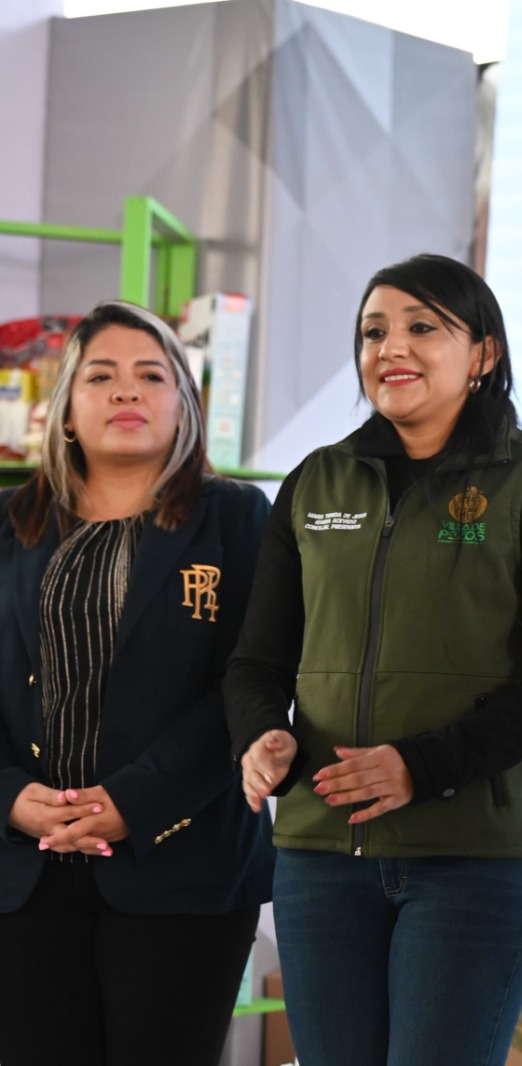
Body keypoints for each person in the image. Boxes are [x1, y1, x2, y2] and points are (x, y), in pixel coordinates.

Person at [224, 254, 522, 1066]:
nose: (393, 347)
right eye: (373, 331)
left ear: (483, 353)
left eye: (424, 327)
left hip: (473, 861)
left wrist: (421, 768)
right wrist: (262, 737)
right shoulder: (317, 483)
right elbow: (256, 663)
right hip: (322, 858)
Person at [0, 300, 273, 1066]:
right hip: (24, 868)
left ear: (185, 408)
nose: (127, 392)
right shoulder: (8, 524)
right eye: (102, 376)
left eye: (152, 376)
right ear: (65, 412)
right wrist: (8, 795)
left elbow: (251, 682)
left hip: (184, 869)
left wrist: (134, 801)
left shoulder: (238, 520)